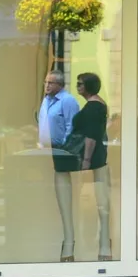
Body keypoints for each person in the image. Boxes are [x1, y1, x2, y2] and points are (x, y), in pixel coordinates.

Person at [70, 72, 112, 262]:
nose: (77, 86)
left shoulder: (94, 107)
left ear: (89, 86)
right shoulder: (96, 105)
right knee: (96, 198)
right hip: (96, 157)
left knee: (93, 199)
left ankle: (95, 240)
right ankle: (96, 239)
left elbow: (91, 136)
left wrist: (86, 159)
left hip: (92, 159)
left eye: (80, 83)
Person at [37, 69, 79, 261]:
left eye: (51, 83)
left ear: (60, 85)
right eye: (46, 82)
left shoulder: (68, 101)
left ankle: (69, 239)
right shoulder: (46, 100)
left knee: (64, 191)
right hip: (46, 151)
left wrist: (64, 145)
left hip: (62, 151)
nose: (46, 86)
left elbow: (72, 125)